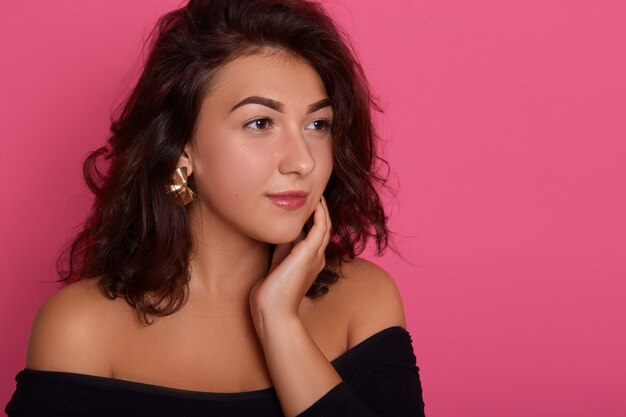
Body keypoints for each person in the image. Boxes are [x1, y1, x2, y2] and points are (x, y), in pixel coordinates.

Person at [5, 0, 425, 415]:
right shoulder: (82, 330)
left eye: (318, 125)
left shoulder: (362, 301)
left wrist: (279, 322)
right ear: (183, 149)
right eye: (260, 123)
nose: (303, 161)